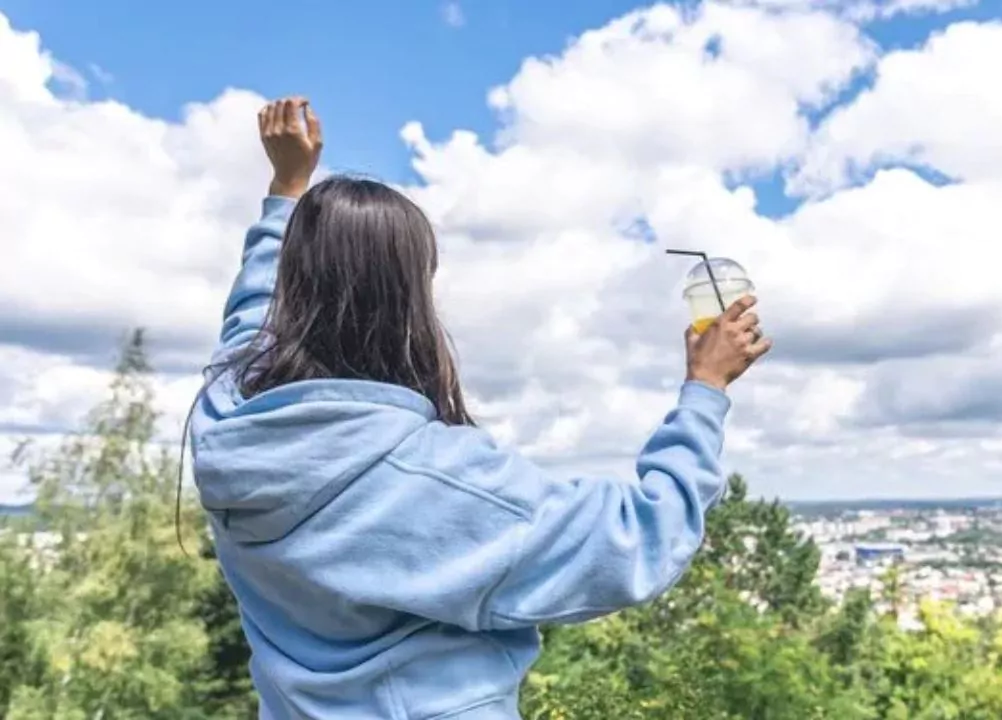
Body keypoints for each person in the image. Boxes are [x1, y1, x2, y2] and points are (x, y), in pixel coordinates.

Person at [190, 96, 771, 720]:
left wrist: (286, 189)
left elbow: (249, 320)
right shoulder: (425, 479)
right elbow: (638, 539)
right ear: (405, 303)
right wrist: (705, 391)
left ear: (293, 290)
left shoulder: (228, 417)